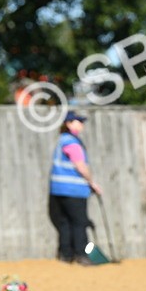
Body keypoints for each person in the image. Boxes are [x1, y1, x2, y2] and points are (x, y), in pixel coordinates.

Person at [48, 110, 102, 265]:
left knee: (65, 222)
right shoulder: (72, 142)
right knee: (80, 222)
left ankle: (65, 255)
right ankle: (81, 254)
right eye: (78, 121)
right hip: (74, 190)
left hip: (58, 189)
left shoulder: (62, 139)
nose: (81, 124)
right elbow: (81, 166)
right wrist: (92, 183)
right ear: (69, 123)